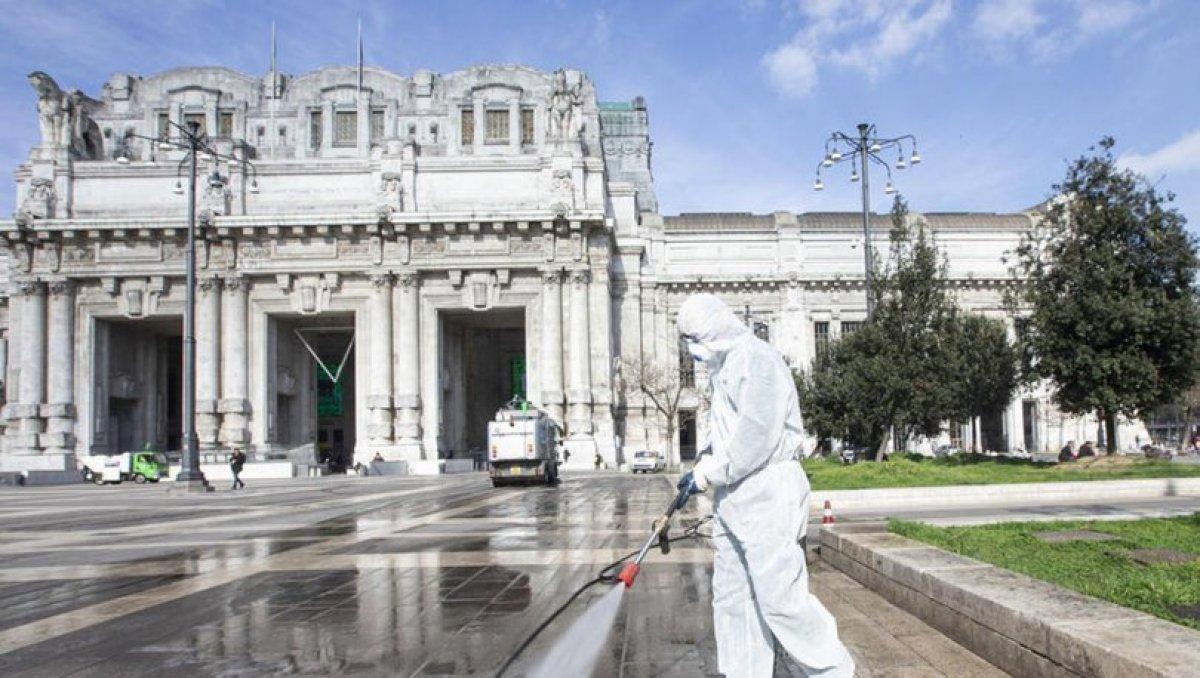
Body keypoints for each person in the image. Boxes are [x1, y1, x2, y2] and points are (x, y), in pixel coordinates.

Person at [674, 294, 854, 678]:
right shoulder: (724, 366)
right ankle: (744, 671)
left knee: (780, 597)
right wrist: (704, 461)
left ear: (714, 329)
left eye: (695, 339)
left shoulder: (757, 360)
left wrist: (707, 474)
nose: (693, 349)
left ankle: (832, 669)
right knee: (733, 596)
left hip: (766, 492)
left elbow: (754, 439)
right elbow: (726, 433)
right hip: (734, 497)